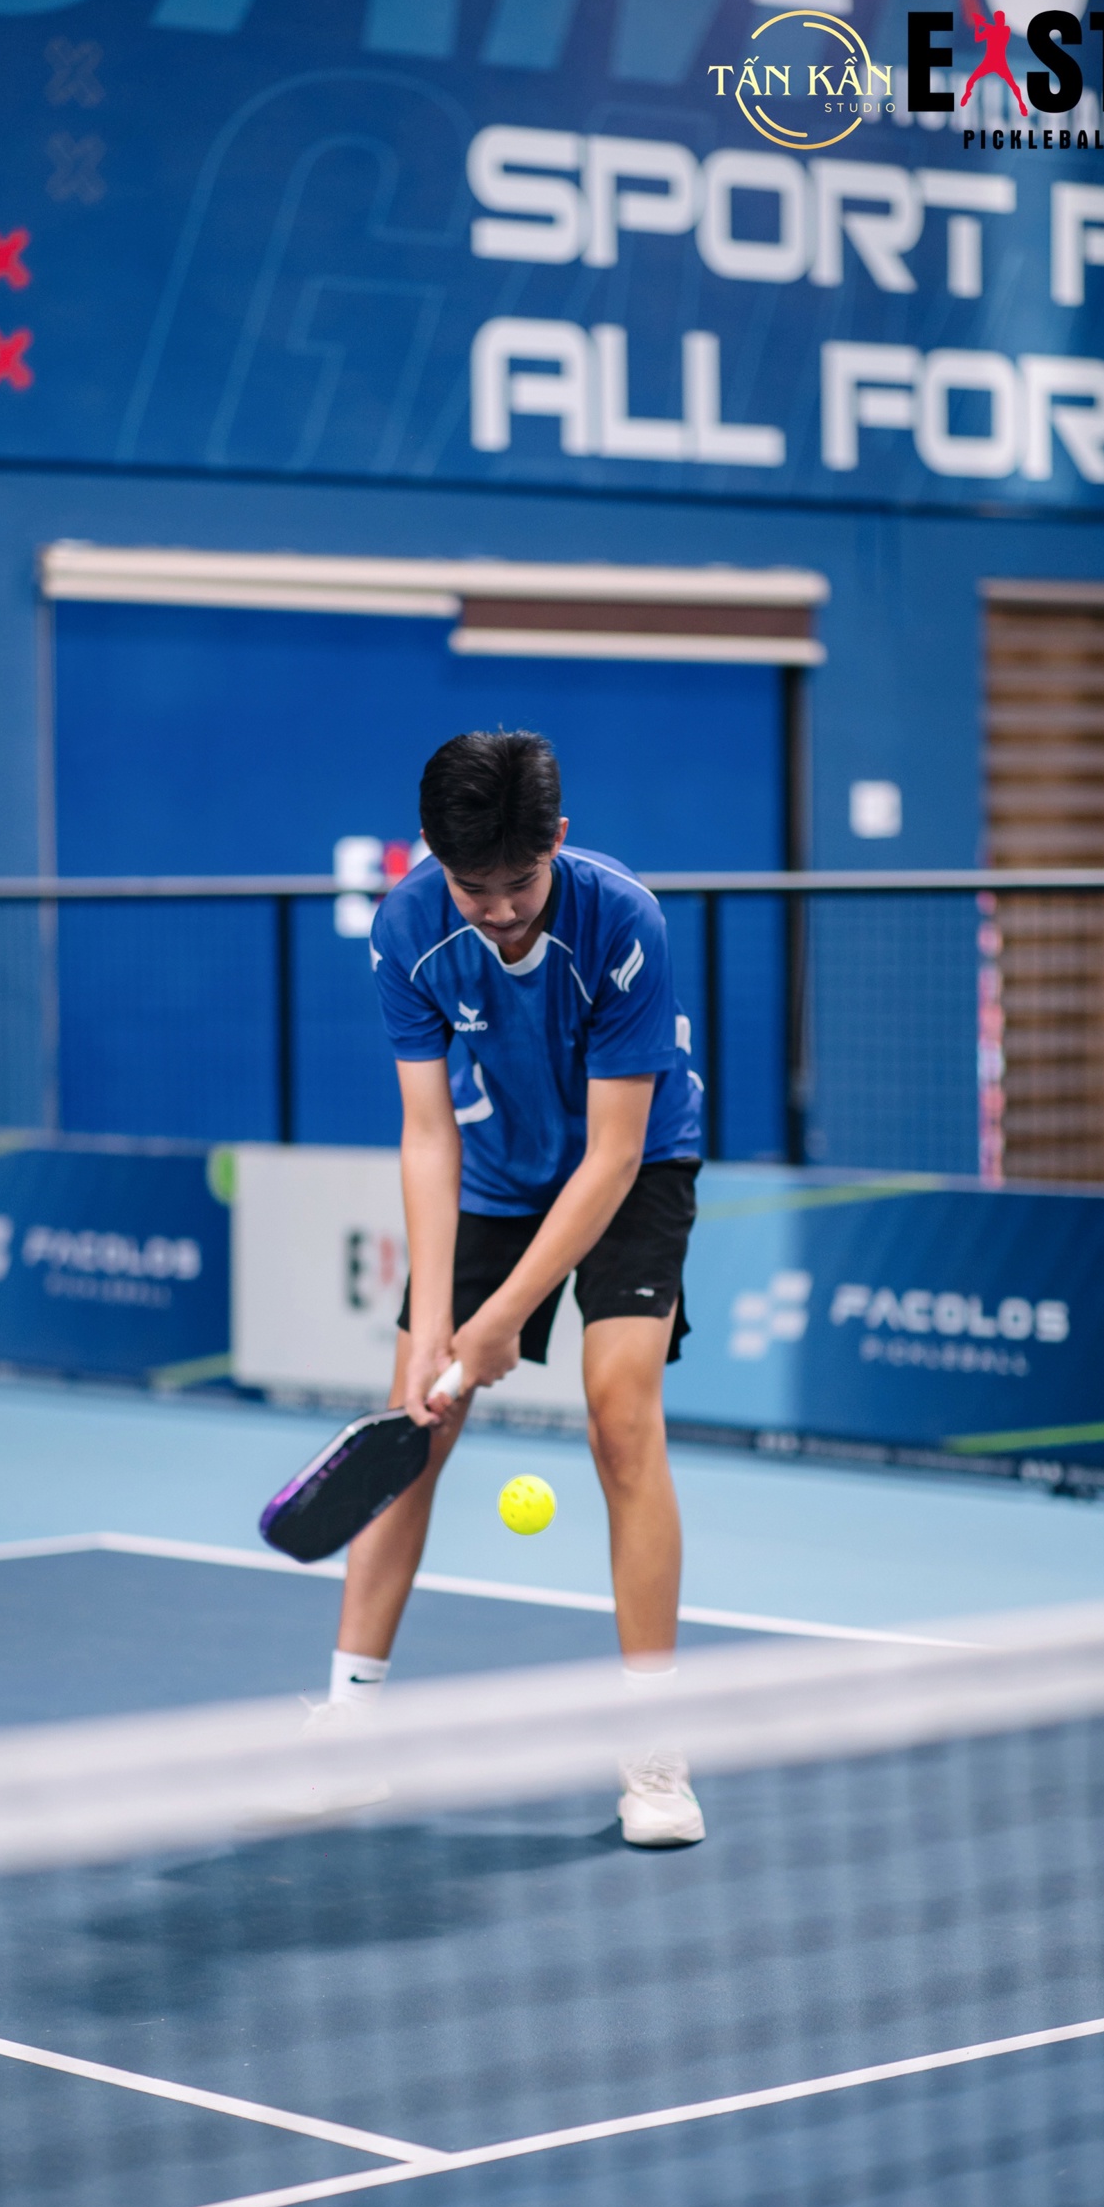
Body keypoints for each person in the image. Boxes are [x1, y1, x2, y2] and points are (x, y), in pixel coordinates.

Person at [313, 728, 707, 1848]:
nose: (496, 911)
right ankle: (347, 1729)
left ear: (558, 843)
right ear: (429, 856)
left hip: (633, 1165)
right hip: (493, 1168)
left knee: (621, 1416)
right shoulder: (406, 927)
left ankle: (654, 1750)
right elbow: (427, 1133)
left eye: (518, 884)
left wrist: (498, 1324)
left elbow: (613, 1157)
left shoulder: (622, 921)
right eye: (469, 887)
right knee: (413, 1420)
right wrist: (439, 1318)